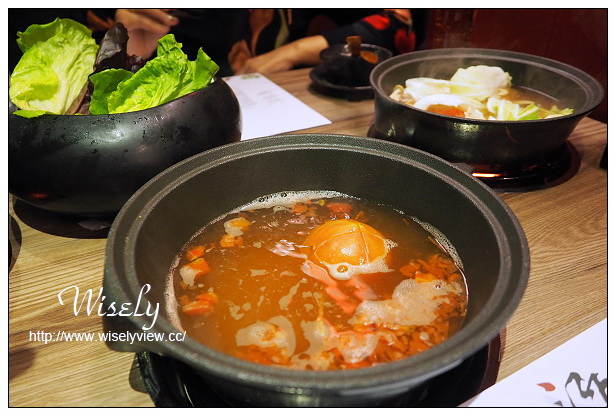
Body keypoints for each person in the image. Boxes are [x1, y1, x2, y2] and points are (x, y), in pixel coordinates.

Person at [103, 9, 417, 76]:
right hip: (179, 109)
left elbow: (398, 24)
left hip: (280, 101)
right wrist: (130, 49)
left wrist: (295, 51)